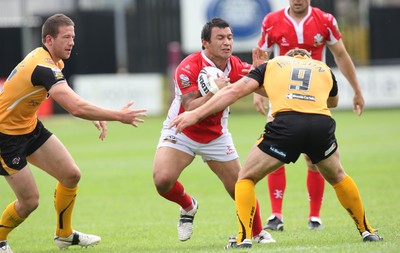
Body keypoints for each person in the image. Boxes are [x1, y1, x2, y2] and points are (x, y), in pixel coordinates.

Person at [169, 48, 383, 249]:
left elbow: (235, 91)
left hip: (287, 125)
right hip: (321, 125)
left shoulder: (273, 64)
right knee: (338, 176)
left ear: (288, 57)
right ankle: (367, 230)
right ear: (306, 58)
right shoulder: (323, 68)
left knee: (245, 178)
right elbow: (332, 101)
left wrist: (195, 114)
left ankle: (244, 238)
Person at [0, 14, 147, 253]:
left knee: (70, 175)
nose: (72, 42)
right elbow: (76, 108)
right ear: (49, 39)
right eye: (66, 37)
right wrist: (118, 115)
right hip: (4, 136)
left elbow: (73, 100)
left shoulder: (51, 62)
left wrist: (96, 113)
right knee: (29, 201)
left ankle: (64, 235)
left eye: (73, 37)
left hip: (29, 128)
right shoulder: (43, 67)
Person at [153, 17, 274, 244]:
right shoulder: (188, 67)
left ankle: (258, 232)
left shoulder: (236, 66)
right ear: (205, 43)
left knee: (239, 186)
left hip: (215, 136)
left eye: (229, 37)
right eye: (220, 38)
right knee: (162, 180)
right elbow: (190, 107)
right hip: (182, 130)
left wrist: (260, 74)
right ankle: (188, 206)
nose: (227, 42)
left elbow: (268, 89)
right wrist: (213, 92)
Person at [254, 0, 365, 231]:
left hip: (314, 96)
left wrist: (357, 89)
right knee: (273, 154)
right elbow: (262, 56)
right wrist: (258, 91)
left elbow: (341, 55)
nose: (297, 0)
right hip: (281, 96)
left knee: (315, 158)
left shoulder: (325, 21)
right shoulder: (271, 21)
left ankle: (315, 217)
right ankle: (276, 216)